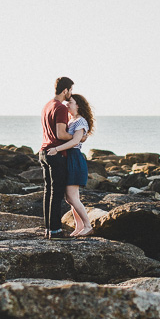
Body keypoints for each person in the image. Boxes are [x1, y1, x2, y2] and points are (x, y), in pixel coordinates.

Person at [46, 93, 95, 237]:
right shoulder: (72, 120)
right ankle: (79, 226)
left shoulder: (80, 121)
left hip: (75, 159)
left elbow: (75, 141)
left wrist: (56, 149)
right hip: (69, 159)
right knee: (71, 198)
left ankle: (88, 226)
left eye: (70, 102)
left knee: (72, 197)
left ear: (78, 105)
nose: (67, 104)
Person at [40, 76, 75, 239]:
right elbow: (61, 134)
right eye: (70, 90)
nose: (71, 93)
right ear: (65, 90)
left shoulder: (47, 105)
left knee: (48, 192)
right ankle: (55, 231)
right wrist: (77, 137)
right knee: (57, 194)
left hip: (44, 152)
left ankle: (49, 229)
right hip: (56, 154)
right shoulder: (60, 108)